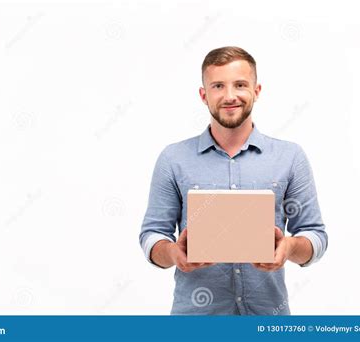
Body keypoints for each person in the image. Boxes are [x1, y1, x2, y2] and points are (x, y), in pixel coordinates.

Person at [139, 46, 328, 315]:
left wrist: (289, 247)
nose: (230, 96)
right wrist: (172, 253)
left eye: (240, 84)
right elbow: (152, 235)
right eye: (218, 86)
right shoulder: (173, 158)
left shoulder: (290, 157)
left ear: (256, 90)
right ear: (204, 95)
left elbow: (315, 236)